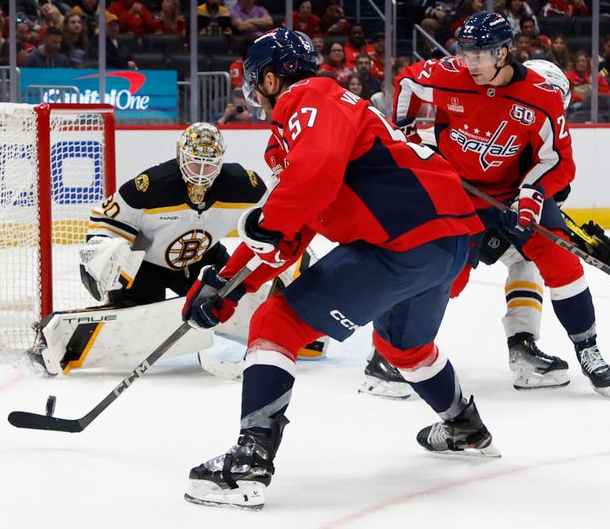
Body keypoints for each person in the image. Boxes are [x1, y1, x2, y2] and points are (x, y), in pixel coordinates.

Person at [181, 28, 497, 511]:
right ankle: (465, 428)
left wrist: (259, 242)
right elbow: (293, 226)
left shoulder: (310, 97)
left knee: (276, 323)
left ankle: (249, 464)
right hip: (449, 243)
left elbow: (308, 183)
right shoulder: (326, 117)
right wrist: (226, 286)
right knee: (405, 347)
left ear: (269, 78)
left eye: (253, 81)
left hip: (403, 240)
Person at [394, 11, 610, 398]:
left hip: (515, 197)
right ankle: (394, 349)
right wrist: (405, 128)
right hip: (463, 195)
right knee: (446, 271)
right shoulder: (453, 76)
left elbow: (557, 163)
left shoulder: (541, 101)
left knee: (558, 260)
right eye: (466, 53)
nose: (470, 63)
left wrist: (533, 194)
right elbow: (409, 80)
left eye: (479, 55)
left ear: (503, 53)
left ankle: (583, 348)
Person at [33, 123, 267, 375]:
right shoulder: (150, 186)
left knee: (238, 298)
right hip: (146, 266)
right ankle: (55, 341)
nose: (201, 173)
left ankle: (292, 326)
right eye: (194, 163)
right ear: (180, 156)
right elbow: (106, 220)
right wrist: (101, 255)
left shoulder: (245, 185)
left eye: (208, 164)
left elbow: (278, 218)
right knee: (136, 322)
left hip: (204, 259)